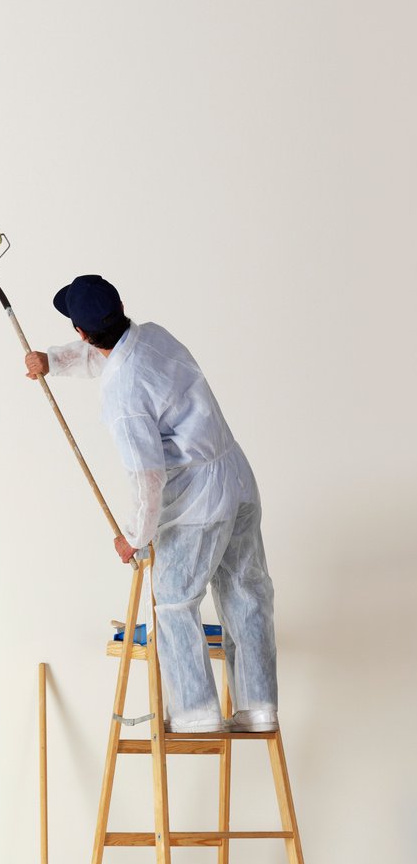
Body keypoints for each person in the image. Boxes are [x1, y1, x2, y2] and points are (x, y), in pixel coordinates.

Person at [24, 274, 278, 734]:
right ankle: (258, 707)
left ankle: (197, 713)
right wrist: (51, 361)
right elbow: (113, 354)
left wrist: (135, 538)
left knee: (176, 601)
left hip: (200, 500)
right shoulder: (154, 335)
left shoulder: (123, 396)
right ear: (120, 306)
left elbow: (148, 477)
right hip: (237, 478)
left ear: (82, 330)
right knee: (247, 591)